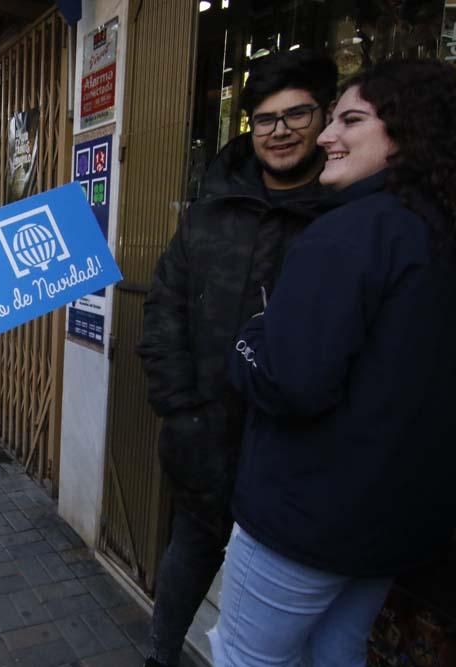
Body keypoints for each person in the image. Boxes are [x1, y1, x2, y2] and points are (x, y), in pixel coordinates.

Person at [209, 59, 456, 666]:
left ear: (410, 129)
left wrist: (252, 338)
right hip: (395, 524)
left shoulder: (349, 234)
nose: (323, 135)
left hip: (305, 521)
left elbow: (291, 382)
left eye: (350, 119)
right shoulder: (435, 230)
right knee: (336, 655)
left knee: (246, 658)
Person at [135, 49, 338, 667]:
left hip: (303, 449)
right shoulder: (211, 209)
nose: (279, 131)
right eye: (265, 118)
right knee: (190, 553)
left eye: (296, 113)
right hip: (208, 432)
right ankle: (160, 657)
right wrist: (181, 411)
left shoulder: (348, 212)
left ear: (324, 116)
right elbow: (164, 309)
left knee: (285, 590)